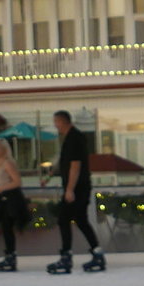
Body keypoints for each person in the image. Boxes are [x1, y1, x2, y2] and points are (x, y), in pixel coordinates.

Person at [47, 109, 106, 274]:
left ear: (63, 121)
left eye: (56, 122)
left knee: (63, 219)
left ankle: (66, 257)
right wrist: (53, 174)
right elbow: (66, 163)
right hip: (78, 187)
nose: (55, 125)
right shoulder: (70, 138)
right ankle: (97, 253)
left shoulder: (74, 138)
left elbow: (75, 165)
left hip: (77, 188)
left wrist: (70, 190)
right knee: (80, 220)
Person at [0, 137, 30, 272]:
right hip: (2, 198)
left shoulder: (7, 163)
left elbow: (17, 181)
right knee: (5, 228)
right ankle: (9, 254)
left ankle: (11, 256)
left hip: (11, 198)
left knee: (8, 227)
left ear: (4, 149)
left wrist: (1, 188)